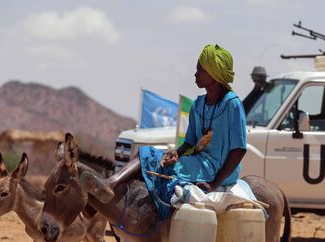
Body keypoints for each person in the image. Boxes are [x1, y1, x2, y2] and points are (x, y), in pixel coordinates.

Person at [95, 44, 247, 217]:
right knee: (154, 159)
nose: (195, 74)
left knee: (147, 155)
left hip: (219, 170)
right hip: (199, 162)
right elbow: (190, 142)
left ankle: (110, 184)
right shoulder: (199, 104)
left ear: (213, 73)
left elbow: (239, 149)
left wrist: (214, 183)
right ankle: (110, 191)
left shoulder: (232, 104)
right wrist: (176, 152)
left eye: (200, 70)